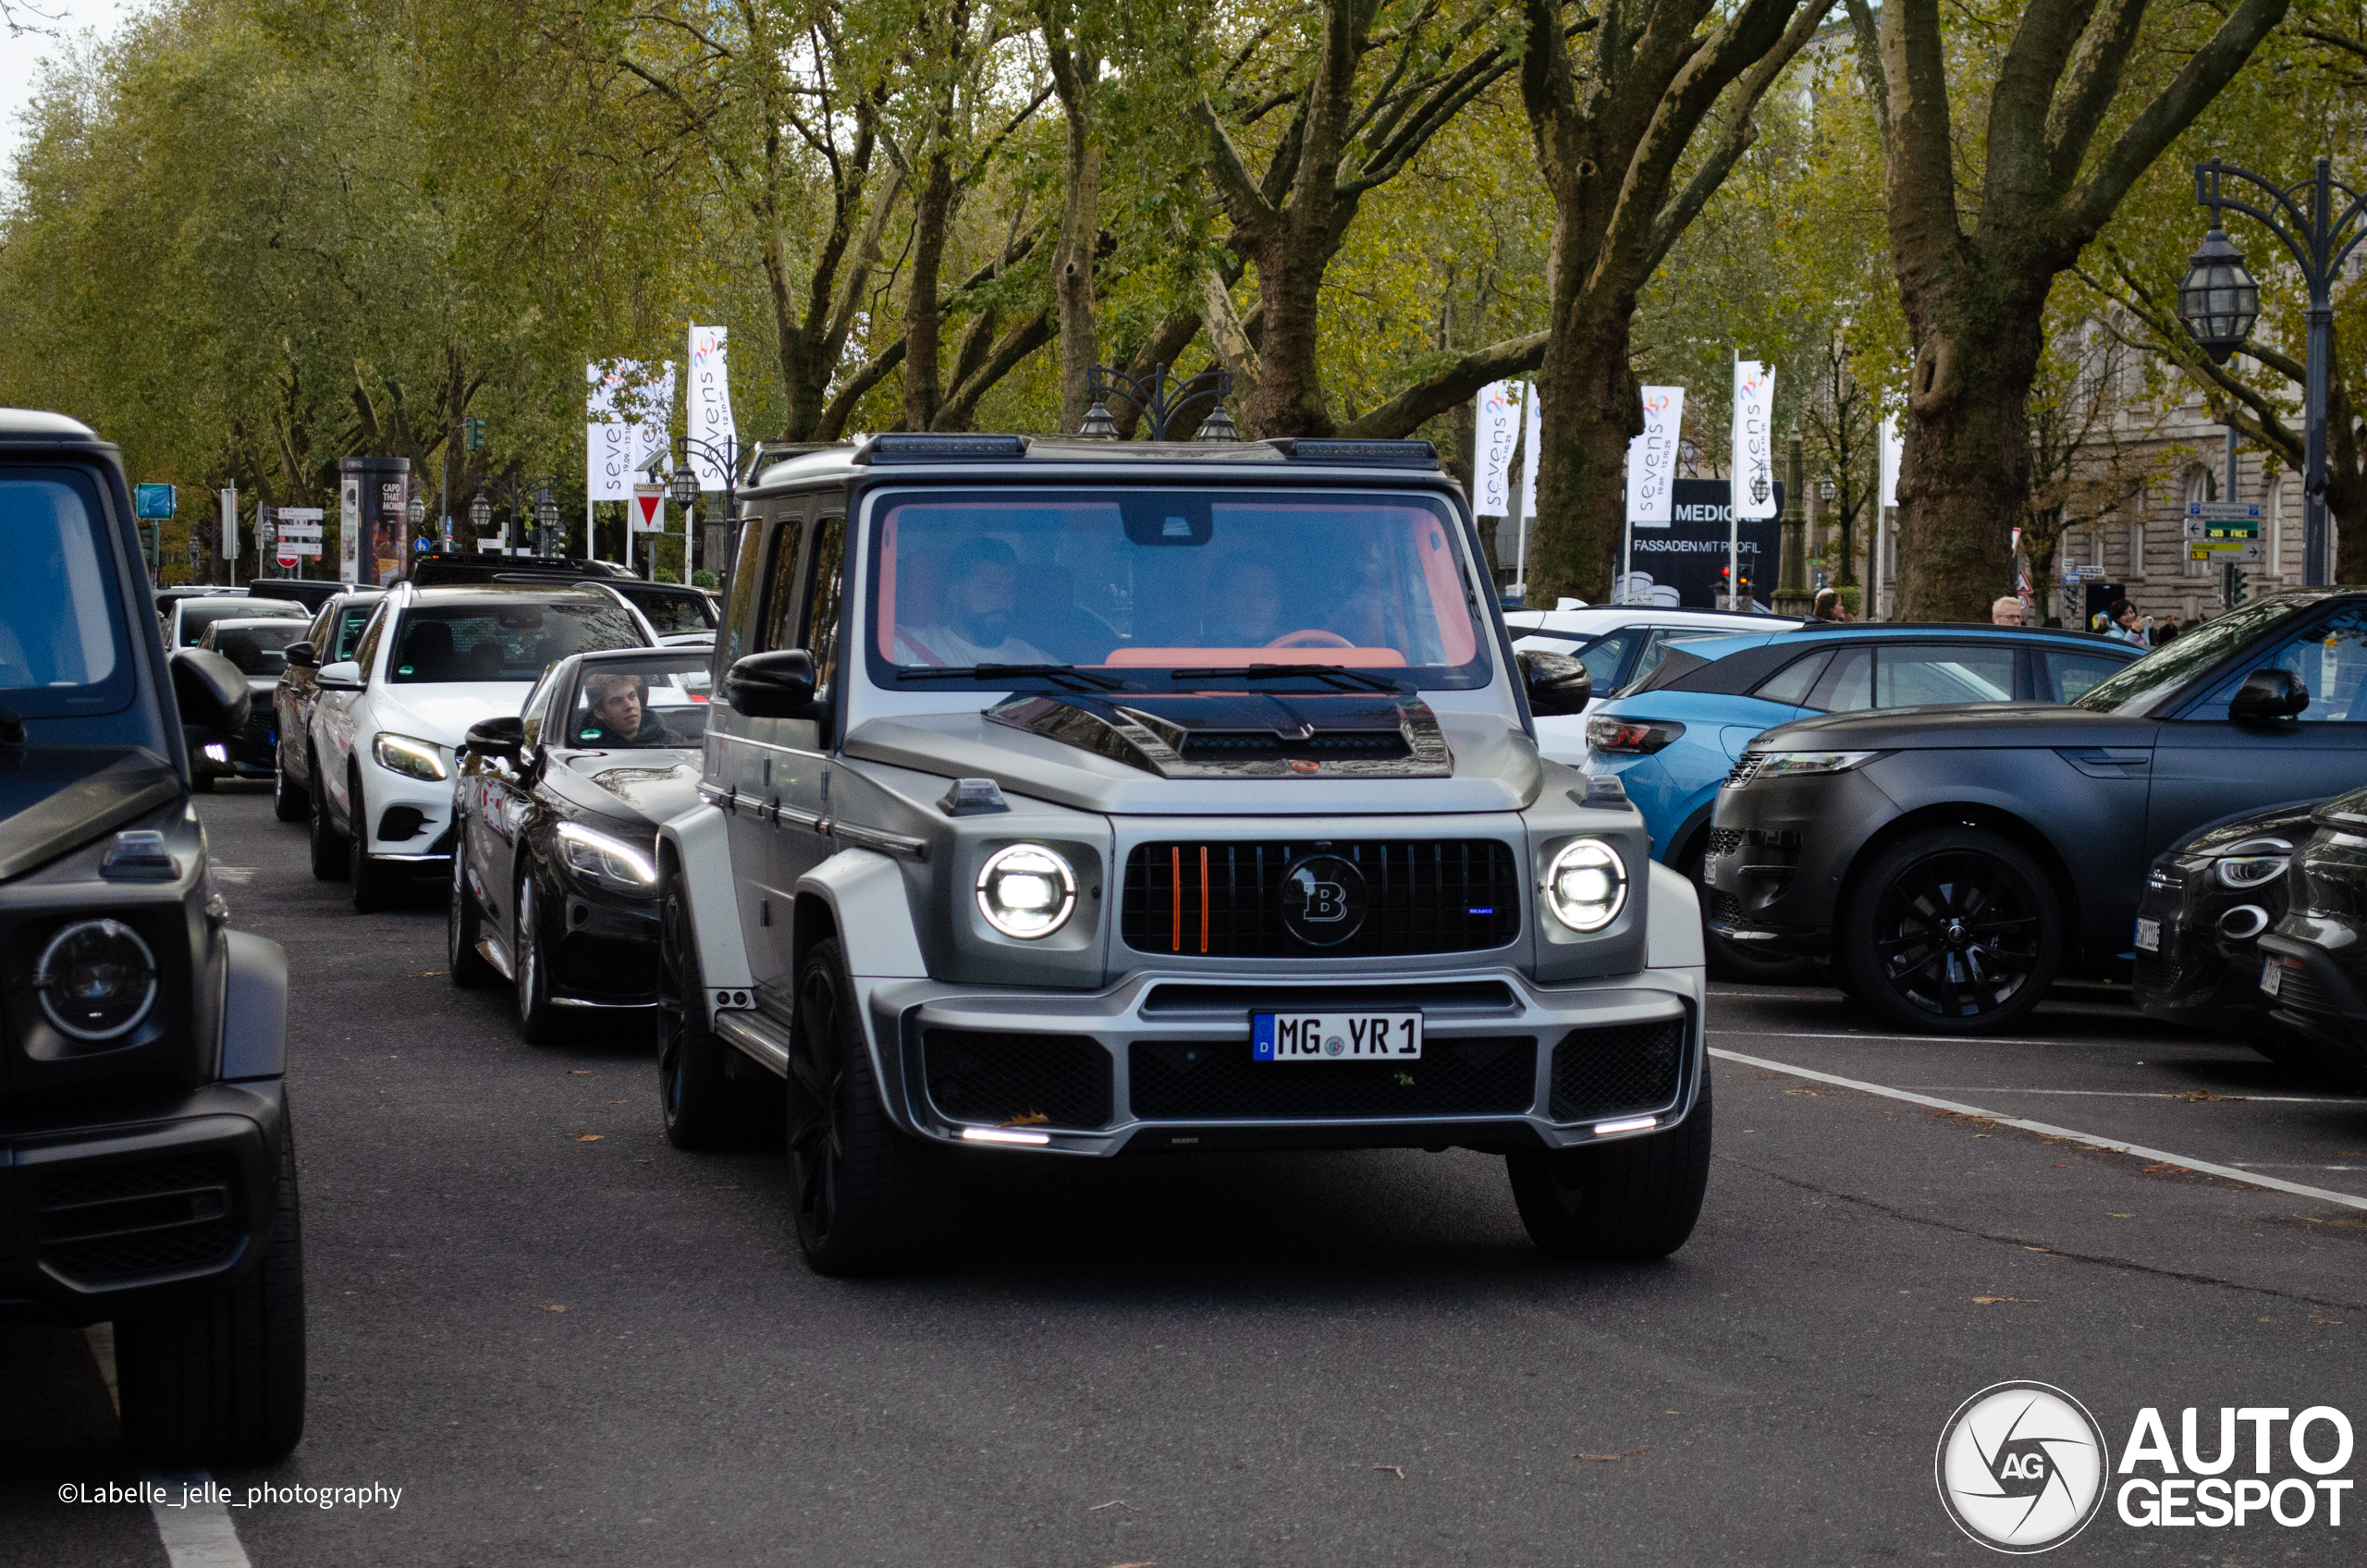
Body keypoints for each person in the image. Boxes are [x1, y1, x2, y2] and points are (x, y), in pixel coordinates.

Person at [896, 535, 1054, 667]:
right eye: (989, 588)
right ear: (954, 592)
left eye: (1010, 589)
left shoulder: (1039, 663)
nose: (1002, 600)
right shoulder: (909, 648)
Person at [577, 672, 676, 747]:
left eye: (632, 696)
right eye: (617, 701)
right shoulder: (587, 748)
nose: (629, 706)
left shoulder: (671, 740)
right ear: (599, 712)